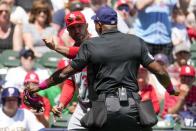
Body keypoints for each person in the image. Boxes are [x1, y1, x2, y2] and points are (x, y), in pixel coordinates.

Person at [28, 6, 178, 131]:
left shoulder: (92, 45)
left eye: (81, 26)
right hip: (131, 107)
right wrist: (170, 89)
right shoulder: (136, 42)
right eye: (72, 28)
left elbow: (66, 71)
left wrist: (41, 85)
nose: (77, 30)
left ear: (97, 25)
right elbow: (160, 71)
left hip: (104, 109)